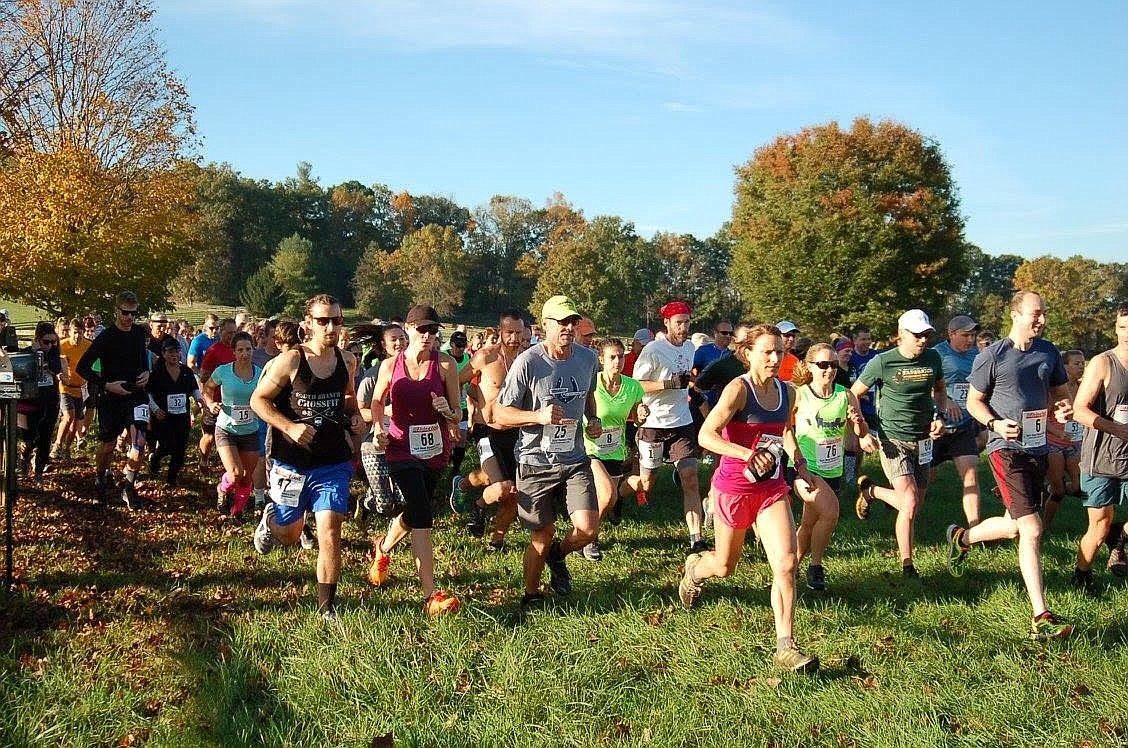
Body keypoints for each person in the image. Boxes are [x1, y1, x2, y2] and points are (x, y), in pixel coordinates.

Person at [678, 324, 819, 672]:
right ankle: (696, 570)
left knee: (787, 563)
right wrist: (745, 454)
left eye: (780, 352)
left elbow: (783, 431)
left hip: (770, 487)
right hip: (734, 487)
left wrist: (799, 464)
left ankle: (785, 645)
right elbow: (707, 435)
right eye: (767, 352)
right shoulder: (738, 389)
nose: (774, 358)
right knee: (725, 567)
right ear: (749, 353)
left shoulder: (787, 392)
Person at [945, 291, 1074, 639]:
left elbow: (1061, 396)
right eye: (1035, 313)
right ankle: (1041, 616)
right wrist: (995, 425)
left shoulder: (1049, 353)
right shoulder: (992, 355)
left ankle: (962, 538)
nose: (1041, 320)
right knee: (1031, 528)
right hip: (1006, 449)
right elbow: (974, 402)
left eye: (1044, 313)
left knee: (1013, 526)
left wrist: (1062, 409)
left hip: (1038, 447)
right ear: (1015, 314)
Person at [250, 294, 364, 619]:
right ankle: (271, 521)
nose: (331, 327)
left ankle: (326, 609)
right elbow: (259, 401)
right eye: (323, 321)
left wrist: (355, 418)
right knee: (291, 534)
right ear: (308, 325)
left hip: (332, 461)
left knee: (329, 530)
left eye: (337, 321)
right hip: (292, 461)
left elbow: (348, 399)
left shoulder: (347, 361)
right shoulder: (291, 361)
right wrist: (289, 426)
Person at [492, 295, 601, 609]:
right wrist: (536, 417)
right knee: (542, 533)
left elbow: (589, 394)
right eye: (562, 322)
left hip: (575, 457)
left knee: (588, 529)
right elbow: (499, 414)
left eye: (572, 322)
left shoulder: (587, 358)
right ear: (545, 325)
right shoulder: (530, 361)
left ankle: (559, 555)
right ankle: (531, 594)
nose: (569, 327)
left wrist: (592, 419)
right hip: (535, 461)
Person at [365, 305, 463, 616]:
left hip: (435, 449)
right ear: (408, 329)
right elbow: (377, 401)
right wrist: (378, 426)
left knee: (414, 510)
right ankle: (431, 595)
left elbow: (458, 413)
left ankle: (382, 548)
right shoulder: (390, 366)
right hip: (400, 447)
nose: (428, 336)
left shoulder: (446, 365)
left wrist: (446, 409)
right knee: (421, 511)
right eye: (422, 330)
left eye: (434, 331)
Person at [851, 309, 961, 577]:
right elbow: (853, 394)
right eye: (917, 335)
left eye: (926, 335)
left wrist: (940, 416)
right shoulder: (882, 362)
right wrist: (862, 431)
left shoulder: (933, 358)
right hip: (892, 438)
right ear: (901, 335)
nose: (922, 340)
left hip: (923, 439)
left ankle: (871, 491)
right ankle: (907, 564)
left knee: (914, 505)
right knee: (909, 501)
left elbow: (939, 389)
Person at [791, 343, 878, 590]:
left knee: (810, 522)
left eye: (833, 364)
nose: (829, 370)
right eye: (822, 365)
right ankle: (815, 566)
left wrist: (858, 422)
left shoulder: (845, 394)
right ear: (810, 367)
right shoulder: (799, 394)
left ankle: (791, 567)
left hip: (832, 468)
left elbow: (860, 431)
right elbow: (784, 428)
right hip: (803, 468)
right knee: (831, 513)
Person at [632, 300, 706, 551]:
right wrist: (668, 385)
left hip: (681, 422)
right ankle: (642, 502)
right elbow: (637, 385)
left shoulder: (690, 347)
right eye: (679, 323)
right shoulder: (653, 349)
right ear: (666, 323)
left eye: (687, 322)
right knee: (647, 481)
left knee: (691, 477)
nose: (683, 327)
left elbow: (687, 381)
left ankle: (696, 537)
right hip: (654, 422)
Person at [1068, 304, 1128, 592]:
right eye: (1122, 327)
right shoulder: (1103, 363)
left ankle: (1120, 539)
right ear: (1115, 328)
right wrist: (1115, 428)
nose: (1127, 334)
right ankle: (1082, 574)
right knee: (1100, 526)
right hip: (1101, 457)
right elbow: (1079, 410)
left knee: (1112, 528)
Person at [455, 310, 526, 549]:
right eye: (509, 332)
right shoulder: (485, 357)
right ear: (500, 331)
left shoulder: (527, 361)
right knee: (501, 487)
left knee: (512, 494)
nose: (514, 338)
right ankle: (478, 506)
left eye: (519, 332)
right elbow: (457, 382)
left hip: (516, 433)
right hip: (488, 431)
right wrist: (456, 414)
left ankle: (497, 540)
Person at [76, 291, 152, 509]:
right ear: (116, 311)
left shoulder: (139, 333)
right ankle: (100, 479)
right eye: (125, 313)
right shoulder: (106, 336)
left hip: (137, 396)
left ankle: (129, 486)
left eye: (133, 313)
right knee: (107, 445)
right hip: (111, 397)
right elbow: (83, 367)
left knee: (139, 443)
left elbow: (142, 361)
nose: (129, 317)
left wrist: (147, 374)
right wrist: (106, 385)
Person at [581, 337, 647, 561]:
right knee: (608, 494)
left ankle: (588, 530)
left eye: (621, 356)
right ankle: (589, 538)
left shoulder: (633, 386)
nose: (617, 361)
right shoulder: (592, 382)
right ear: (601, 359)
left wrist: (641, 415)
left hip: (615, 450)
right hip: (590, 447)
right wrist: (590, 425)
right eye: (612, 357)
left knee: (608, 498)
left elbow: (637, 418)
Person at [931, 314, 984, 528]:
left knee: (971, 475)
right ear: (951, 334)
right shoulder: (936, 354)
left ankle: (975, 529)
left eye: (973, 335)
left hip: (963, 426)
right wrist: (946, 400)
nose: (970, 340)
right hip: (936, 426)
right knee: (923, 481)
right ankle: (878, 495)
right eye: (965, 335)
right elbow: (922, 386)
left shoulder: (977, 355)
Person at [203, 331, 263, 517]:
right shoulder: (223, 371)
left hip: (251, 430)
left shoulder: (261, 374)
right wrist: (211, 403)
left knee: (246, 478)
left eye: (248, 349)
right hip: (226, 429)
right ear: (234, 352)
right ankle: (222, 489)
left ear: (253, 350)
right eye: (240, 350)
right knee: (236, 473)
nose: (245, 353)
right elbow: (208, 387)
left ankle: (236, 512)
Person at [147, 337, 203, 487]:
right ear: (164, 354)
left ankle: (171, 478)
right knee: (168, 445)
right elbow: (148, 394)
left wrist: (200, 401)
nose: (174, 354)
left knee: (180, 449)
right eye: (170, 351)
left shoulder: (186, 371)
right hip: (163, 417)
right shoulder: (157, 373)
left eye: (177, 351)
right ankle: (155, 459)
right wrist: (155, 409)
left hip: (182, 416)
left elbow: (194, 389)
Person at [16, 322, 66, 477]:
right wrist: (35, 352)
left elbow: (57, 368)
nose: (50, 345)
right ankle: (23, 459)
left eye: (53, 341)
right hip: (28, 404)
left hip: (49, 402)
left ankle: (39, 470)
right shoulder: (26, 353)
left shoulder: (54, 354)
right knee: (29, 438)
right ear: (37, 339)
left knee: (45, 437)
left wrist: (45, 360)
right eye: (46, 342)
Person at [1042, 349, 1086, 528]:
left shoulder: (1085, 388)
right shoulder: (1055, 390)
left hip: (1075, 442)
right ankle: (1045, 526)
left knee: (1077, 487)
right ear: (1064, 366)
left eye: (1083, 363)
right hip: (1054, 443)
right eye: (1076, 363)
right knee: (1059, 491)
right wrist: (1057, 431)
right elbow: (1042, 417)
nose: (1081, 367)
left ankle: (1044, 488)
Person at [52, 318, 91, 461]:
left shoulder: (88, 345)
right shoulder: (62, 345)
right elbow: (56, 364)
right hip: (65, 387)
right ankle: (57, 445)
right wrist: (60, 374)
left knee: (75, 421)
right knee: (68, 416)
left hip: (80, 387)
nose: (78, 336)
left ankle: (67, 448)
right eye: (75, 333)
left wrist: (95, 375)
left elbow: (97, 362)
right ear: (70, 332)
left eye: (81, 333)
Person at [849, 324, 881, 432]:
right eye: (863, 339)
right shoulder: (850, 357)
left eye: (869, 339)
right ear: (855, 340)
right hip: (857, 408)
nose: (867, 342)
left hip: (875, 408)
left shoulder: (877, 356)